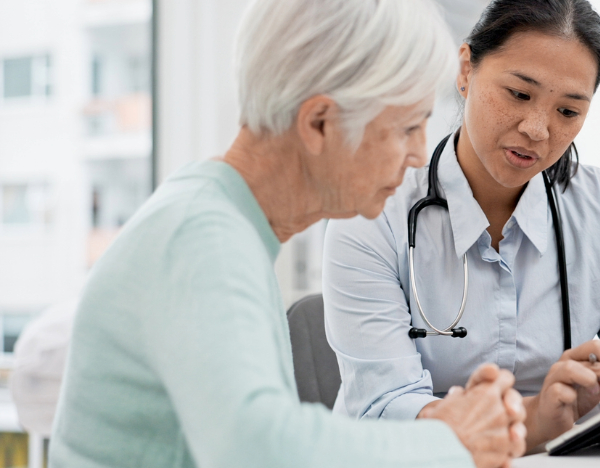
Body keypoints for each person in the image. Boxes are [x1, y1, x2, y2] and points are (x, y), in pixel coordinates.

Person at [48, 1, 526, 467]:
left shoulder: (216, 221)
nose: (420, 155)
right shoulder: (201, 238)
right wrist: (454, 443)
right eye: (406, 128)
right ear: (319, 123)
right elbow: (259, 449)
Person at [323, 0, 600, 453]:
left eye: (568, 112)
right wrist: (534, 419)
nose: (538, 130)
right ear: (465, 70)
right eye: (519, 95)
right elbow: (385, 407)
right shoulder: (372, 210)